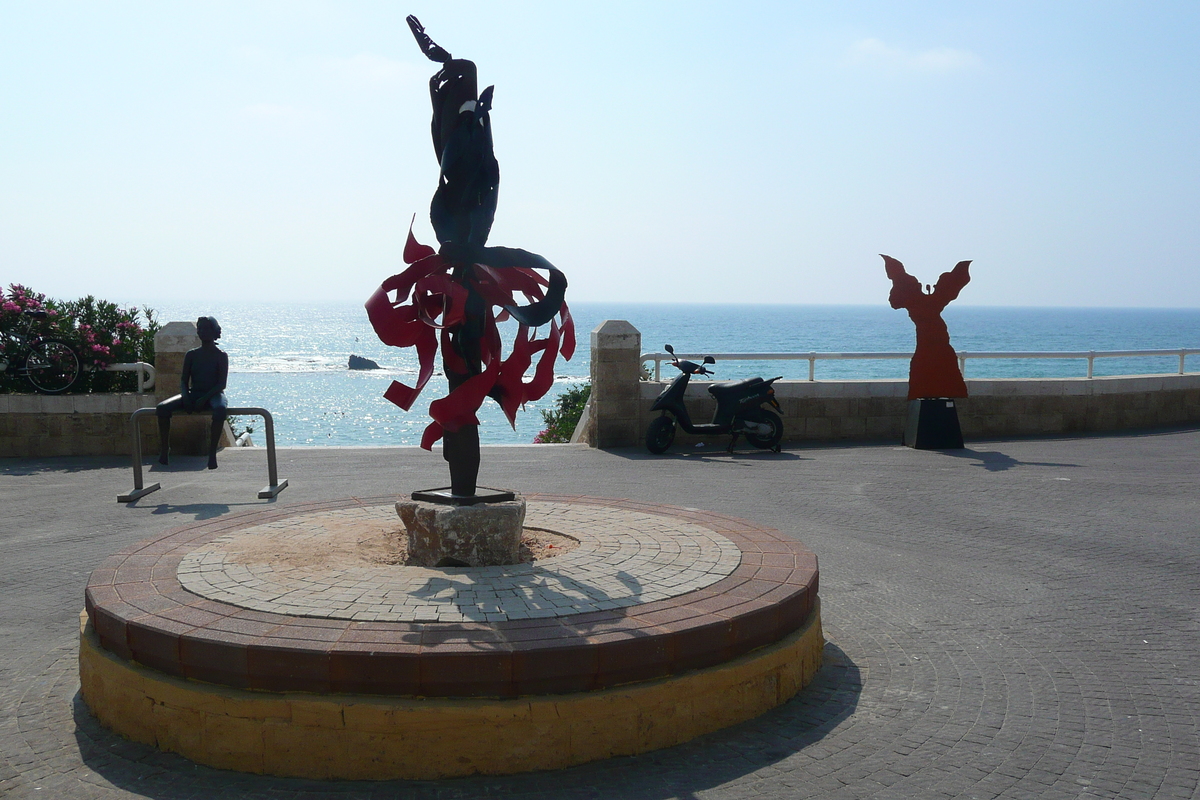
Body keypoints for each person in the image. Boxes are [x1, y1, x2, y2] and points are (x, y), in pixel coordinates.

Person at [882, 256, 971, 400]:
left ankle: (929, 393)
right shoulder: (930, 300)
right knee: (931, 362)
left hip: (931, 337)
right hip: (932, 336)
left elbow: (894, 302)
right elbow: (894, 302)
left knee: (927, 362)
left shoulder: (916, 300)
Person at [156, 316, 228, 469]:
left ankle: (212, 453)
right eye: (200, 328)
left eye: (206, 329)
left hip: (213, 394)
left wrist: (204, 399)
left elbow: (221, 384)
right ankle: (164, 449)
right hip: (194, 392)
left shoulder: (220, 355)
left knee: (220, 410)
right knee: (162, 408)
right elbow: (184, 380)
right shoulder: (192, 354)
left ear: (214, 332)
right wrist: (186, 396)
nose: (202, 332)